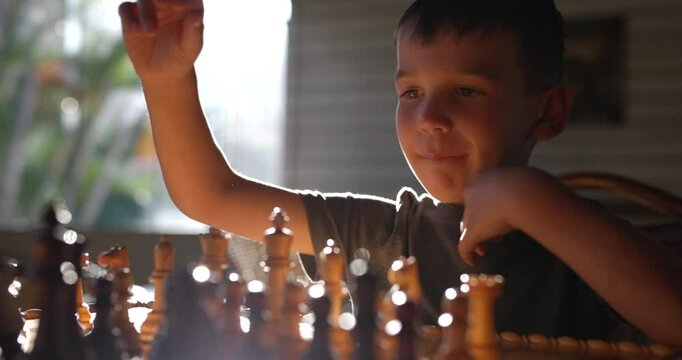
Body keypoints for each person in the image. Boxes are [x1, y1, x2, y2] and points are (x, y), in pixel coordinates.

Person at [117, 0, 682, 344]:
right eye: (411, 91)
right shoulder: (381, 235)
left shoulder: (587, 245)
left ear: (548, 111)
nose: (430, 119)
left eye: (467, 90)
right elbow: (211, 196)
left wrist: (530, 198)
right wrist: (167, 81)